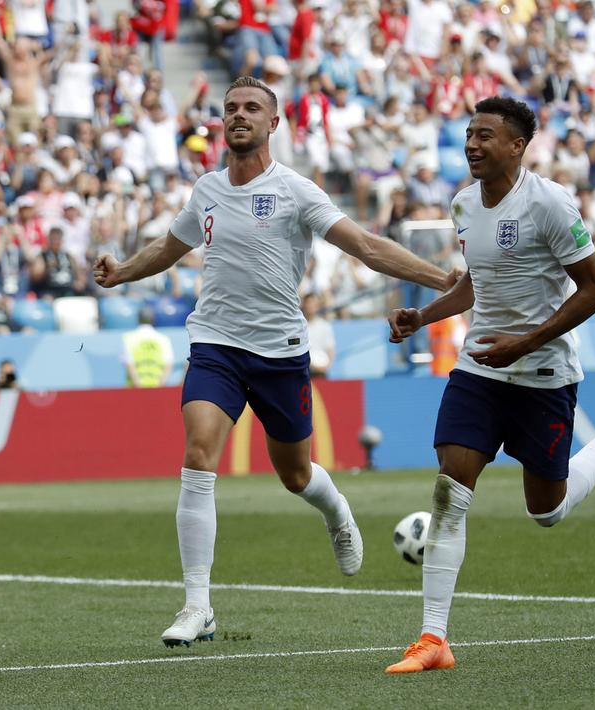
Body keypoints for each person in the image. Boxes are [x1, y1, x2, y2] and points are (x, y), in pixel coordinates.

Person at [93, 76, 457, 647]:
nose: (239, 115)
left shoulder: (296, 191)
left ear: (273, 123)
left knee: (295, 474)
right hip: (215, 345)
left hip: (282, 352)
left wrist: (444, 279)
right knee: (197, 454)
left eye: (252, 108)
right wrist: (122, 273)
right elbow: (170, 248)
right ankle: (197, 604)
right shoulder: (206, 189)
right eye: (231, 107)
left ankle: (336, 510)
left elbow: (364, 245)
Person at [384, 97, 595, 674]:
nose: (472, 145)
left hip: (543, 376)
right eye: (469, 134)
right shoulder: (462, 204)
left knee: (545, 511)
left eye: (485, 135)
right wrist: (422, 317)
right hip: (480, 369)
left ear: (517, 145)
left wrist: (526, 342)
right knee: (450, 490)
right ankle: (433, 640)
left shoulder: (550, 203)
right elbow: (475, 286)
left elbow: (594, 291)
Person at [122, 306, 174, 387]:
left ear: (138, 319)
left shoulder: (128, 338)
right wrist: (158, 388)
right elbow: (168, 366)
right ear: (153, 320)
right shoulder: (163, 339)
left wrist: (140, 388)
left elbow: (129, 365)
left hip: (133, 391)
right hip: (157, 389)